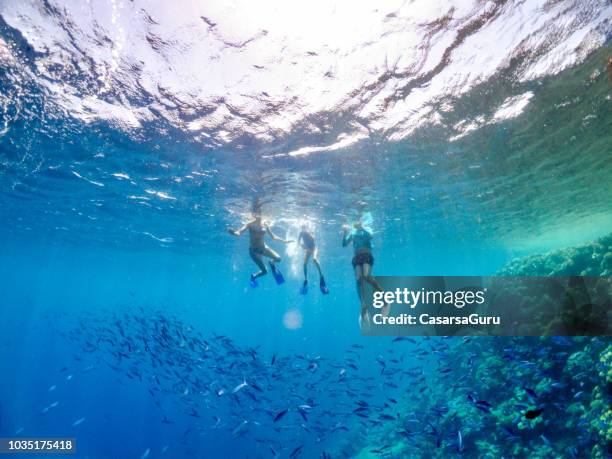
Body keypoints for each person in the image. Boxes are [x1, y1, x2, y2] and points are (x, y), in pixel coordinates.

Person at [342, 221, 387, 326]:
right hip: (356, 257)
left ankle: (382, 293)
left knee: (366, 276)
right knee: (358, 280)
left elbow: (371, 236)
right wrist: (345, 232)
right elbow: (344, 244)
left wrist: (362, 227)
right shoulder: (353, 233)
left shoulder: (367, 229)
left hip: (367, 254)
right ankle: (363, 304)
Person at [228, 213, 293, 287]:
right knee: (265, 272)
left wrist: (285, 241)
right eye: (256, 214)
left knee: (278, 259)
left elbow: (273, 237)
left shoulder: (265, 224)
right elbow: (240, 232)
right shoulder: (249, 224)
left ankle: (271, 262)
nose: (259, 216)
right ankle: (254, 276)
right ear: (254, 215)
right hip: (254, 251)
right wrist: (234, 233)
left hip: (264, 248)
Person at [297, 224, 328, 295]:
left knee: (314, 259)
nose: (303, 229)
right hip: (308, 250)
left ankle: (321, 276)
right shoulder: (301, 233)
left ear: (306, 228)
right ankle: (305, 279)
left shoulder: (310, 232)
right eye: (302, 228)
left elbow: (313, 239)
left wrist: (309, 234)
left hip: (314, 248)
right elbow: (298, 243)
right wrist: (302, 245)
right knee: (304, 264)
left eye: (304, 228)